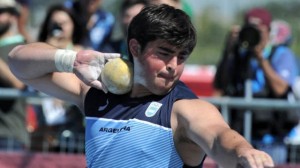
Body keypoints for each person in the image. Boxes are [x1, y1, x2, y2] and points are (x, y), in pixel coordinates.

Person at [8, 4, 274, 167]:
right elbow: (18, 63)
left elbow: (219, 138)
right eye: (164, 52)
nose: (173, 65)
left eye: (181, 57)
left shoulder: (183, 109)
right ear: (135, 47)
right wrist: (72, 59)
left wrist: (245, 153)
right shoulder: (97, 93)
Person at [213, 7, 298, 163]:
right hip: (239, 139)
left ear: (269, 30)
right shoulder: (239, 56)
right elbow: (220, 84)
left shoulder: (281, 54)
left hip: (270, 141)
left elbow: (281, 89)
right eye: (250, 29)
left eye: (258, 29)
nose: (254, 34)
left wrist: (260, 58)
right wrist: (228, 50)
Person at [0, 0, 29, 150]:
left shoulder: (21, 48)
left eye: (1, 12)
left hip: (9, 136)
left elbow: (19, 83)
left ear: (13, 16)